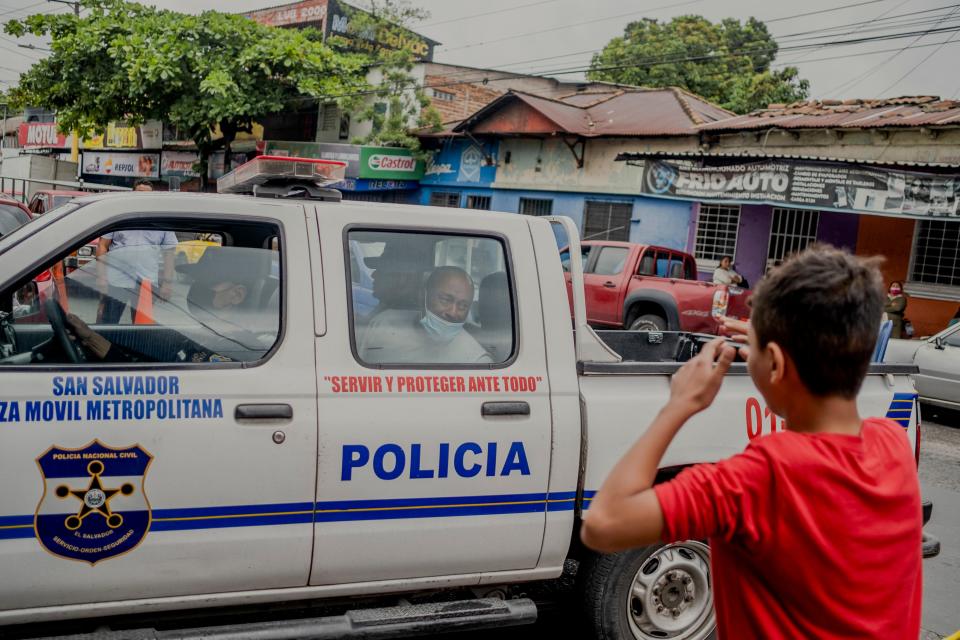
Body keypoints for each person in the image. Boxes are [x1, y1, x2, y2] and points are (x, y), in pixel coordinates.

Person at [581, 246, 921, 639]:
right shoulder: (892, 442)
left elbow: (603, 526)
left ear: (775, 363)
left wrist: (678, 405)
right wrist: (775, 343)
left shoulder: (760, 478)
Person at [69, 248, 271, 363]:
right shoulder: (203, 335)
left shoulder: (237, 351)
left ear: (237, 295)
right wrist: (90, 338)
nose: (197, 289)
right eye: (196, 282)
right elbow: (145, 367)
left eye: (207, 283)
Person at [359, 266, 492, 364]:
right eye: (445, 300)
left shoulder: (476, 360)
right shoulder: (385, 323)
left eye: (463, 306)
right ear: (423, 295)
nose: (453, 312)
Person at [96, 187, 177, 324]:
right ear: (133, 195)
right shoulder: (120, 216)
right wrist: (102, 278)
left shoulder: (161, 220)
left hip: (146, 282)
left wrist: (167, 283)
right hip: (117, 280)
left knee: (141, 327)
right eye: (139, 194)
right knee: (108, 323)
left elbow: (169, 253)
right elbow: (102, 246)